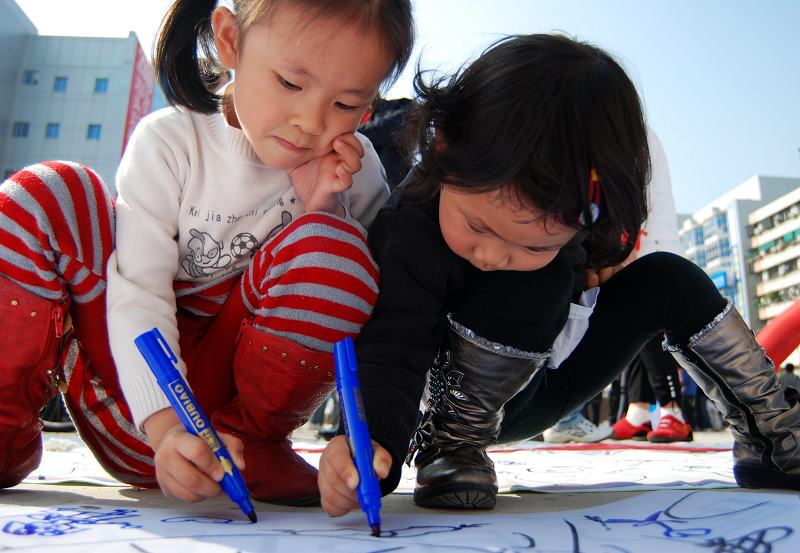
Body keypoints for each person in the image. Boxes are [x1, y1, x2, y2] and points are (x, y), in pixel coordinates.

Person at [317, 33, 800, 514]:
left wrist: (599, 255)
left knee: (671, 277)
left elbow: (613, 249)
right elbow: (391, 347)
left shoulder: (584, 212)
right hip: (442, 402)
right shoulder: (410, 231)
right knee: (533, 278)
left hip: (544, 382)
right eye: (477, 225)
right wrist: (371, 447)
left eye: (533, 243)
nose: (490, 254)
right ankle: (452, 447)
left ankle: (774, 434)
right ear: (444, 148)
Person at [0, 0, 414, 507]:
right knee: (49, 191)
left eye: (347, 105)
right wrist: (167, 427)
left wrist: (323, 209)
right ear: (229, 39)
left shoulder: (356, 170)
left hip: (235, 448)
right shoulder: (170, 141)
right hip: (133, 406)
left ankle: (259, 442)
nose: (310, 122)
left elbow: (365, 324)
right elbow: (138, 288)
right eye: (290, 83)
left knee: (334, 248)